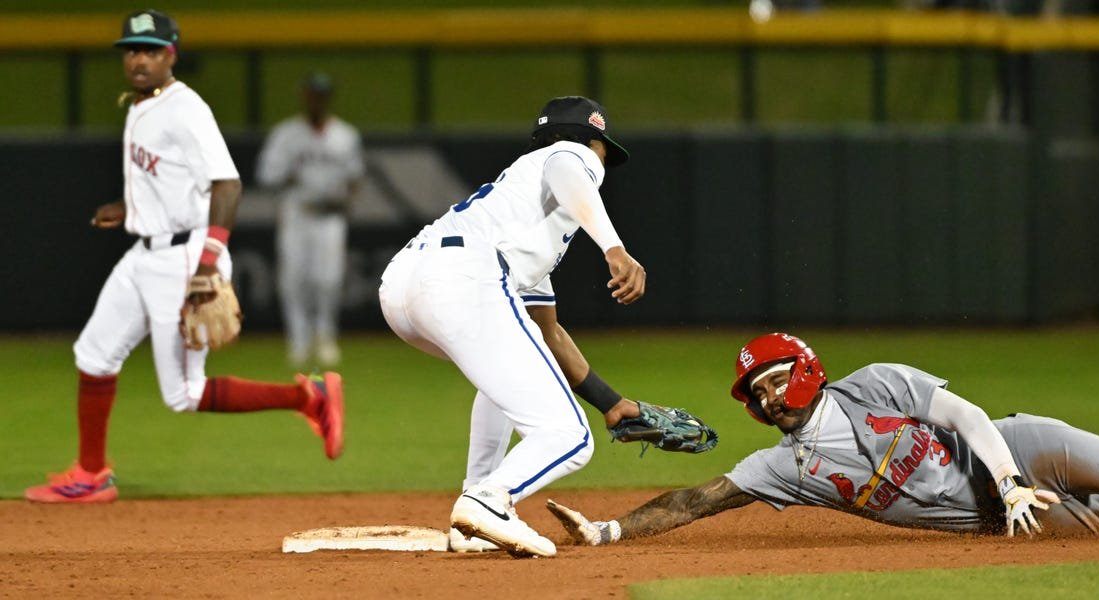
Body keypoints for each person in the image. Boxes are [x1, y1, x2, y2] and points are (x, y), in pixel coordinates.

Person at [24, 10, 344, 504]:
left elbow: (227, 184)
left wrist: (208, 263)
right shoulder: (142, 104)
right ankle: (91, 474)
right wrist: (128, 207)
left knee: (184, 394)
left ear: (171, 54)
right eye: (132, 50)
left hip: (186, 258)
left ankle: (308, 397)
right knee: (93, 355)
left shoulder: (185, 109)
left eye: (151, 50)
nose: (139, 59)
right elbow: (172, 182)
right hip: (143, 255)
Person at [548, 332, 1099, 544]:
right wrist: (607, 531)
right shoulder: (781, 468)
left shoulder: (875, 383)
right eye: (757, 392)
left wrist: (1010, 483)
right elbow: (696, 500)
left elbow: (968, 416)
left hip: (1024, 453)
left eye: (774, 380)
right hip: (1000, 522)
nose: (768, 397)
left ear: (806, 369)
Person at [378, 96, 647, 558]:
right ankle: (489, 500)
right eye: (604, 149)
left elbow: (546, 335)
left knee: (506, 374)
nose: (603, 162)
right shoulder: (568, 155)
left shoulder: (518, 220)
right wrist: (613, 247)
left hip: (405, 286)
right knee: (569, 436)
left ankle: (472, 516)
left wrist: (611, 402)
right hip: (463, 275)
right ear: (585, 139)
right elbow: (567, 166)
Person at [256, 72, 364, 368]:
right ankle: (299, 341)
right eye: (313, 94)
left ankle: (325, 336)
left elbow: (355, 176)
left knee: (328, 279)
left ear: (329, 98)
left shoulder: (345, 135)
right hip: (297, 213)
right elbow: (266, 176)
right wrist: (288, 175)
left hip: (330, 215)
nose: (317, 99)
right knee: (294, 280)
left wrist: (347, 200)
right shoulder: (286, 135)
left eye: (322, 94)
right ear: (305, 96)